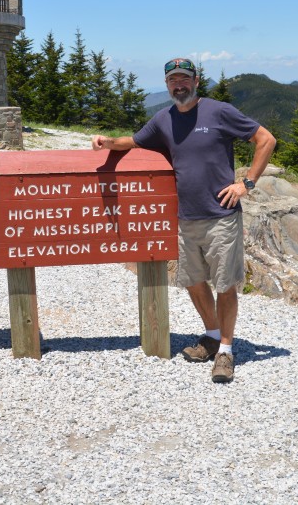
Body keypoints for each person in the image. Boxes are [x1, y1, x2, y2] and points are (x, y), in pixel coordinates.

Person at [91, 58, 276, 383]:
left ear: (196, 81)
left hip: (221, 216)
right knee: (193, 281)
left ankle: (225, 351)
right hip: (186, 217)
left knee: (224, 285)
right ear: (167, 85)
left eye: (184, 79)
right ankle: (211, 335)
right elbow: (132, 141)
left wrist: (246, 183)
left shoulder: (219, 111)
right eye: (173, 80)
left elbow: (266, 139)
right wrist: (107, 142)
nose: (179, 85)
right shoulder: (164, 119)